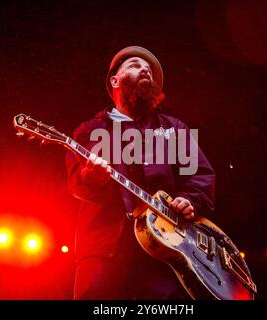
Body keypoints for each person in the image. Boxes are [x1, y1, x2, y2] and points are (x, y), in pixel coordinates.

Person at [66, 46, 216, 299]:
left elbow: (200, 175)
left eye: (150, 70)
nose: (145, 69)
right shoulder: (89, 132)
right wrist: (90, 178)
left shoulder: (174, 128)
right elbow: (76, 186)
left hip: (164, 250)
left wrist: (190, 199)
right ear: (114, 80)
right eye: (135, 65)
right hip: (104, 249)